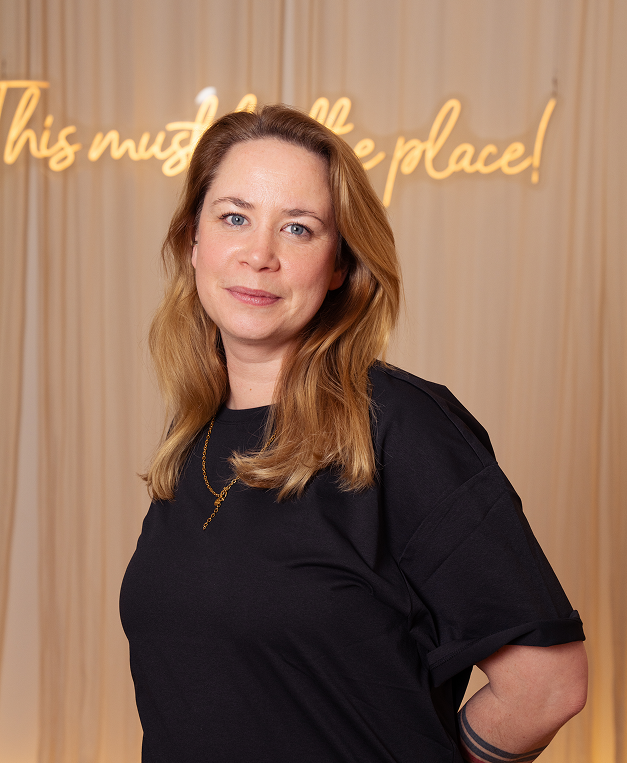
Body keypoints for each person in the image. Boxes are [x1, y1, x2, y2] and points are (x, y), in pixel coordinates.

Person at [120, 104, 587, 763]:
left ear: (339, 264)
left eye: (298, 228)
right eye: (234, 217)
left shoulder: (401, 426)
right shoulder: (193, 432)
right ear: (193, 242)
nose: (259, 255)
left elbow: (547, 685)